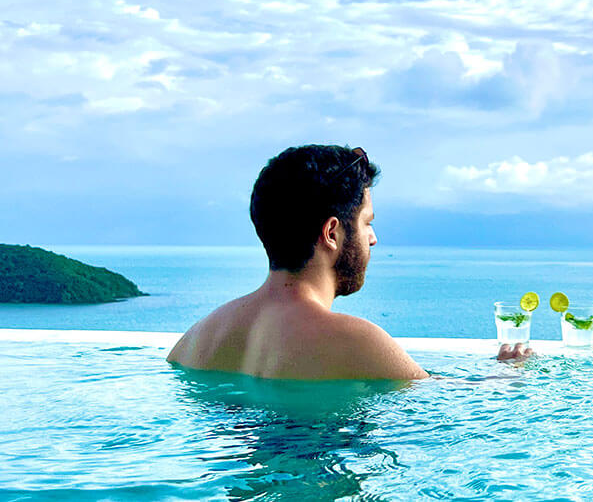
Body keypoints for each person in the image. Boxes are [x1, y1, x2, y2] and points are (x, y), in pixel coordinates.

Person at [168, 144, 530, 381]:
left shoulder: (196, 340)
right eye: (367, 223)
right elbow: (448, 404)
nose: (373, 238)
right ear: (332, 233)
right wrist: (506, 377)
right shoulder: (358, 342)